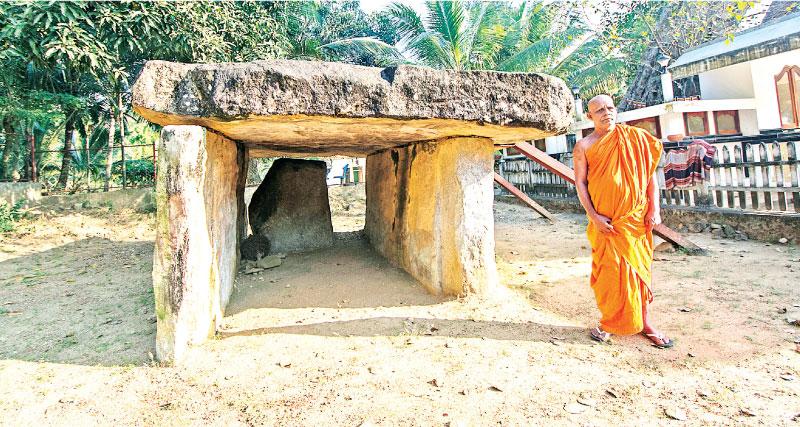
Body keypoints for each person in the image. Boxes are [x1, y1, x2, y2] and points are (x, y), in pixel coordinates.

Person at [572, 94, 673, 348]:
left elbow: (649, 178)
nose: (606, 113)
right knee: (610, 274)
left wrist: (655, 209)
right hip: (607, 223)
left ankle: (645, 323)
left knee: (639, 273)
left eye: (610, 108)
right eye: (599, 111)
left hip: (636, 219)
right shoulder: (584, 146)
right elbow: (581, 183)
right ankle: (610, 323)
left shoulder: (636, 140)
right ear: (590, 116)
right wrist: (594, 217)